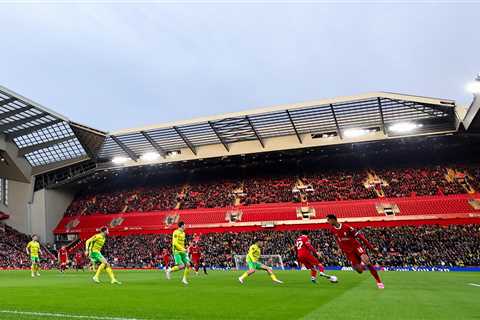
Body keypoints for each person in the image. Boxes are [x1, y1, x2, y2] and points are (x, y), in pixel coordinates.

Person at [326, 214, 384, 289]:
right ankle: (362, 264)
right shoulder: (332, 230)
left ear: (333, 219)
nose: (328, 221)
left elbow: (360, 237)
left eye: (328, 220)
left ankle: (379, 282)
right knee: (359, 271)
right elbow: (337, 239)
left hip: (356, 247)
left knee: (368, 262)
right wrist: (340, 249)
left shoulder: (347, 227)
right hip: (348, 251)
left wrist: (371, 248)